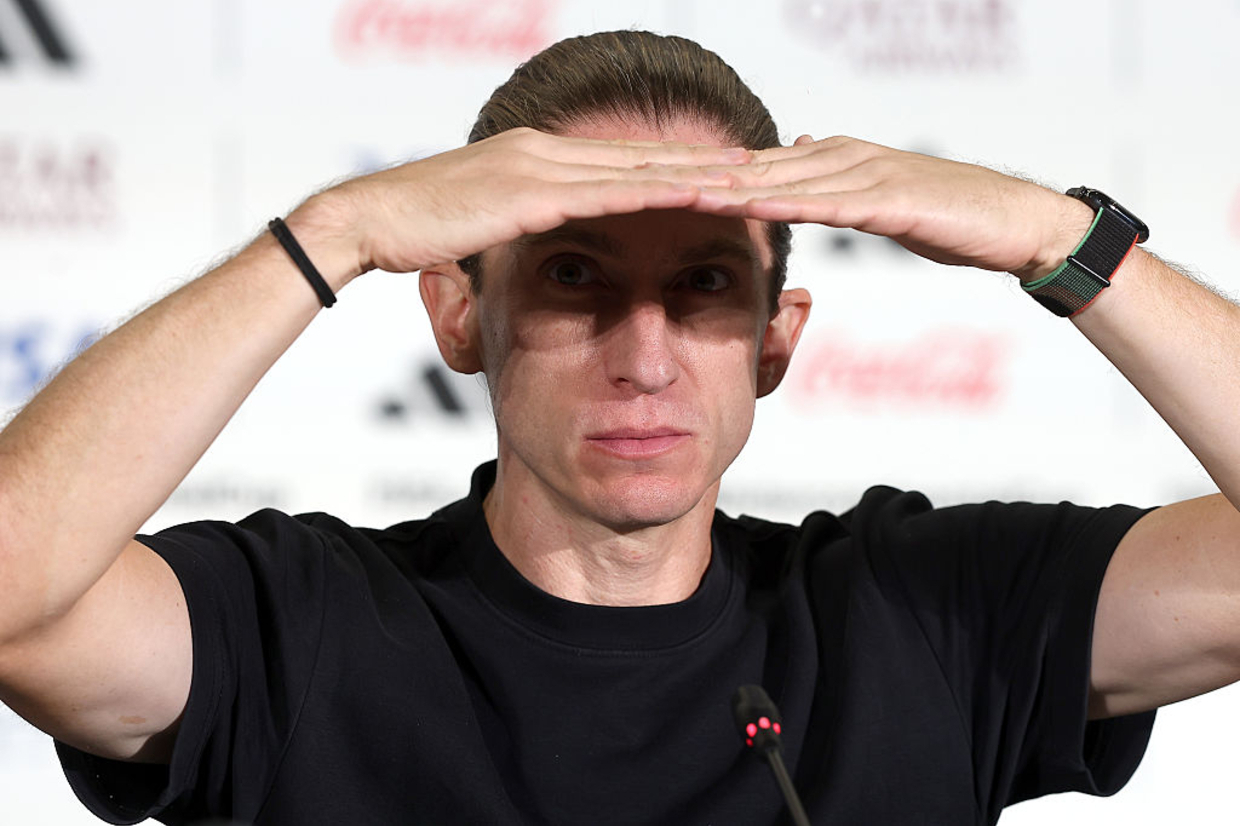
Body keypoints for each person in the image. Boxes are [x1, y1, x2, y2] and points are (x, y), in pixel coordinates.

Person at [0, 28, 1238, 826]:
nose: (643, 360)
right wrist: (333, 232)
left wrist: (1063, 240)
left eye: (702, 284)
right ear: (458, 315)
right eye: (574, 276)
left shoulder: (924, 610)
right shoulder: (292, 623)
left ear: (775, 338)